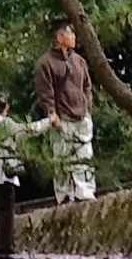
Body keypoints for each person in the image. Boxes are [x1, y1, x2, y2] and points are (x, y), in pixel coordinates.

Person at [26, 18, 99, 192]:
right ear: (60, 37)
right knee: (62, 159)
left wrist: (87, 108)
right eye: (70, 33)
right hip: (61, 118)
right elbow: (45, 93)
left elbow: (87, 86)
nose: (74, 36)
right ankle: (65, 196)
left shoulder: (79, 61)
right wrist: (52, 113)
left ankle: (86, 193)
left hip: (82, 115)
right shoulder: (45, 64)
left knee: (85, 156)